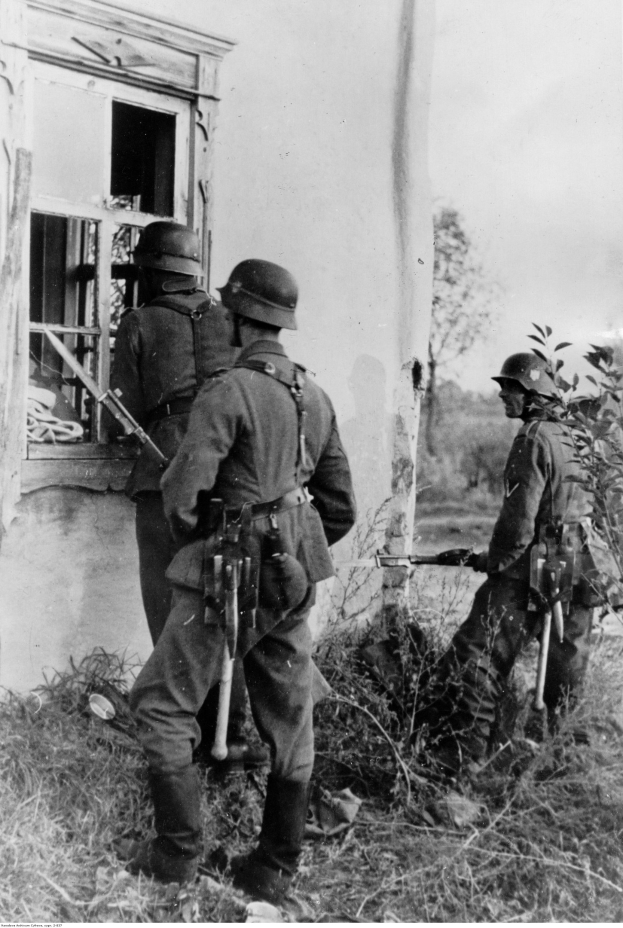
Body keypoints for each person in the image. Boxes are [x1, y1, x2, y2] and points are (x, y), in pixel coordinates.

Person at [126, 258, 357, 901]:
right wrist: (290, 547)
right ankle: (275, 868)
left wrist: (202, 553)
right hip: (290, 574)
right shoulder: (316, 395)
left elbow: (180, 496)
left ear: (235, 316)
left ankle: (175, 855)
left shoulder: (227, 390)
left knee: (160, 704)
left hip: (226, 569)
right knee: (290, 714)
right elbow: (340, 507)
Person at [110, 221, 260, 763]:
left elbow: (118, 412)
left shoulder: (138, 321)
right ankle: (233, 729)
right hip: (229, 476)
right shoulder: (234, 321)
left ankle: (183, 734)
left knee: (167, 601)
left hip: (162, 475)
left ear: (151, 273)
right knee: (230, 599)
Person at [427, 352, 596, 774]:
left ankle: (461, 761)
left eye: (512, 388)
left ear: (534, 394)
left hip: (537, 557)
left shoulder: (534, 437)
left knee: (478, 651)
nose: (503, 394)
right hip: (577, 555)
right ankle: (568, 759)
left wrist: (495, 562)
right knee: (567, 663)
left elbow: (518, 523)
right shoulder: (576, 434)